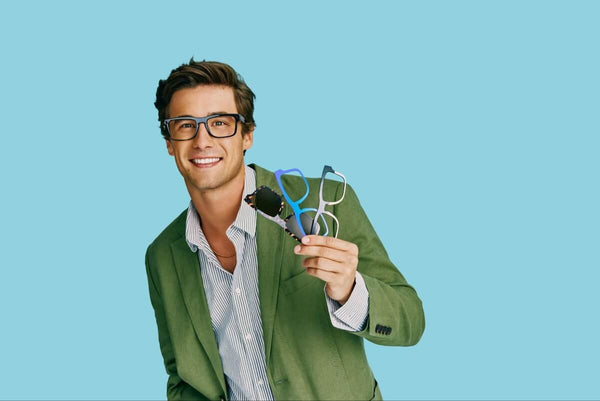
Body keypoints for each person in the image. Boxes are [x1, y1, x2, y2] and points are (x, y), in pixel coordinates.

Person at [145, 59, 425, 401]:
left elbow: (411, 321)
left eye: (220, 122)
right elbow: (181, 377)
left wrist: (351, 290)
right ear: (169, 141)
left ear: (247, 134)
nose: (202, 140)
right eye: (186, 125)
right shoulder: (161, 256)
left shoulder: (329, 203)